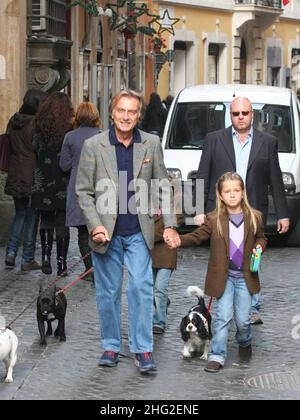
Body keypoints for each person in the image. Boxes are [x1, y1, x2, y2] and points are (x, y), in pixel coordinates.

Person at [76, 89, 177, 374]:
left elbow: (163, 186)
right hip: (105, 234)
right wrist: (95, 224)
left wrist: (169, 224)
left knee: (141, 288)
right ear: (112, 112)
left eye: (132, 112)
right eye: (121, 110)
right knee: (107, 292)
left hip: (138, 232)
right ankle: (110, 345)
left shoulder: (151, 144)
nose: (126, 116)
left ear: (138, 116)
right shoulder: (94, 146)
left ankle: (143, 349)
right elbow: (83, 192)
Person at [195, 96, 289, 325]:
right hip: (220, 212)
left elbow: (275, 179)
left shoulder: (267, 142)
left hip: (253, 211)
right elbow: (202, 175)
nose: (240, 117)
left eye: (244, 113)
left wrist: (283, 213)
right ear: (230, 115)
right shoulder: (214, 139)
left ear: (252, 115)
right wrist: (198, 209)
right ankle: (226, 303)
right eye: (236, 114)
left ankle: (251, 305)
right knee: (223, 257)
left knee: (252, 257)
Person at [168, 172, 267, 372]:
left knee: (243, 321)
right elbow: (197, 236)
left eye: (236, 191)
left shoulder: (254, 216)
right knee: (222, 318)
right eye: (227, 191)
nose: (232, 195)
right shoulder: (214, 219)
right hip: (224, 278)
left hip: (245, 278)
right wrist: (180, 240)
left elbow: (261, 237)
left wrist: (259, 247)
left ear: (243, 192)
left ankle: (245, 341)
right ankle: (217, 355)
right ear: (220, 195)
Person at [31, 92, 74, 276]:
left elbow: (33, 149)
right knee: (62, 222)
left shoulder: (39, 128)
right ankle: (61, 264)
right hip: (63, 179)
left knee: (46, 219)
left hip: (42, 178)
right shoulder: (69, 130)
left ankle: (46, 258)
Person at [4, 88, 47, 271]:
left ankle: (11, 253)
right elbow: (39, 148)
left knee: (19, 214)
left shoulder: (13, 121)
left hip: (15, 172)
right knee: (31, 216)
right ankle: (27, 257)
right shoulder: (36, 124)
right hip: (31, 173)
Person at [59, 102, 101, 282]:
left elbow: (64, 165)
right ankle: (98, 266)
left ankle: (89, 268)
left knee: (83, 231)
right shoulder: (102, 137)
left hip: (78, 185)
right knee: (97, 228)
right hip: (99, 186)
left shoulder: (69, 137)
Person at [152, 212, 182, 334]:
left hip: (167, 252)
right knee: (151, 288)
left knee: (160, 288)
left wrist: (146, 235)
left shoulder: (174, 204)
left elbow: (175, 224)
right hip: (149, 253)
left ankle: (159, 322)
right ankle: (164, 302)